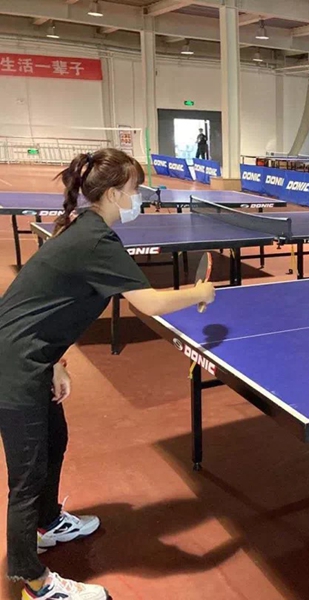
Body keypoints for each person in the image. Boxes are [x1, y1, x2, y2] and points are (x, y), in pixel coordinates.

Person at [0, 149, 216, 600]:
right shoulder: (96, 240)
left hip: (29, 357)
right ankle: (32, 580)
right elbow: (148, 304)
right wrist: (199, 291)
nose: (141, 197)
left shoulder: (85, 228)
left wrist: (54, 362)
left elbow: (40, 304)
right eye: (136, 189)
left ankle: (47, 523)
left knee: (54, 441)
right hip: (12, 366)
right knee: (27, 477)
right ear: (115, 194)